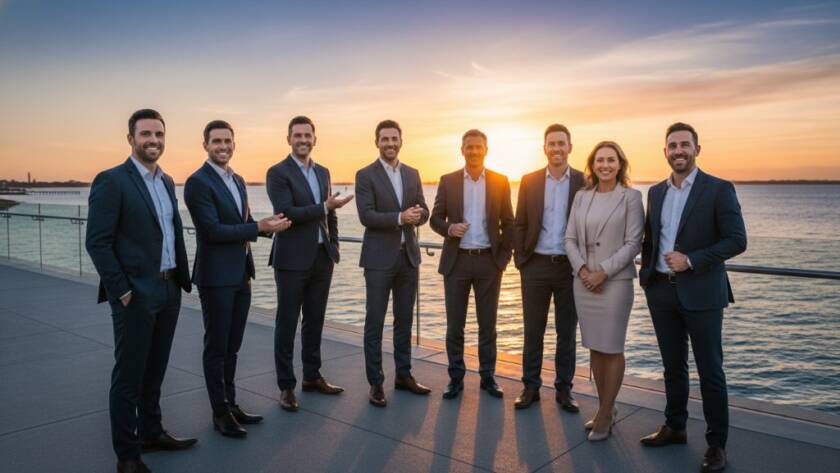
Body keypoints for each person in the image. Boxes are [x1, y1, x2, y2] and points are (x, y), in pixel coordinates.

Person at [86, 109, 196, 473]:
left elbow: (171, 233)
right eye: (146, 134)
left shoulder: (166, 182)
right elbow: (98, 242)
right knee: (129, 375)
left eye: (159, 134)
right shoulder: (111, 181)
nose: (154, 140)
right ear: (130, 138)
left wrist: (181, 279)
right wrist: (122, 291)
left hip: (169, 289)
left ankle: (152, 432)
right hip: (136, 294)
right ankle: (128, 456)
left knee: (156, 369)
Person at [638, 123, 747, 473]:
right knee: (673, 366)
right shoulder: (655, 193)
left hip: (702, 291)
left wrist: (692, 260)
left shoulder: (718, 189)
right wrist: (647, 276)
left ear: (697, 149)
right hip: (661, 291)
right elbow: (651, 239)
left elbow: (736, 240)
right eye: (672, 146)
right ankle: (676, 426)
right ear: (665, 152)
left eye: (685, 144)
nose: (678, 150)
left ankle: (716, 445)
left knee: (710, 370)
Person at [184, 120, 290, 437]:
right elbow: (212, 231)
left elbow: (242, 221)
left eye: (228, 141)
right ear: (205, 144)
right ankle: (219, 413)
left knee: (232, 347)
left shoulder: (239, 180)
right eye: (217, 141)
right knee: (216, 347)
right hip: (215, 277)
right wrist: (259, 228)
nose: (223, 146)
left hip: (241, 273)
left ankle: (231, 403)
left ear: (234, 144)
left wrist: (271, 227)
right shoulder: (197, 183)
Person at [265, 116, 354, 412]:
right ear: (288, 139)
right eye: (297, 135)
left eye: (308, 135)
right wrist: (324, 207)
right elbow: (286, 212)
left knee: (315, 321)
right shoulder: (277, 173)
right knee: (287, 323)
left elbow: (330, 217)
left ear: (315, 139)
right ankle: (286, 386)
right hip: (291, 259)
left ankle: (312, 377)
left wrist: (335, 246)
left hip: (321, 257)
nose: (303, 140)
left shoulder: (324, 172)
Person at [564, 141, 644, 441]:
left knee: (612, 347)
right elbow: (569, 238)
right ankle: (604, 409)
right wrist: (583, 270)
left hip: (615, 283)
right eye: (600, 160)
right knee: (596, 348)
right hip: (583, 282)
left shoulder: (631, 198)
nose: (605, 165)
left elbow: (633, 243)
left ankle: (605, 415)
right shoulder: (582, 197)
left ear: (620, 164)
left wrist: (603, 272)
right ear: (592, 164)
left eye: (611, 160)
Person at [430, 129, 514, 400]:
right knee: (455, 325)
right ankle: (455, 378)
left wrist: (502, 259)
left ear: (486, 150)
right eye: (469, 147)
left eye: (479, 147)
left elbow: (509, 223)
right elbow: (435, 218)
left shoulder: (501, 181)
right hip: (457, 263)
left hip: (489, 263)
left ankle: (488, 377)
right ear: (462, 149)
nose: (474, 151)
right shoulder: (448, 180)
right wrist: (449, 228)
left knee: (487, 325)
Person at [355, 119, 431, 407]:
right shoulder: (365, 175)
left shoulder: (412, 173)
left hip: (408, 258)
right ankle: (376, 383)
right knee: (374, 322)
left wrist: (418, 215)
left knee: (404, 320)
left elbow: (423, 208)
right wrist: (401, 217)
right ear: (377, 142)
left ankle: (404, 375)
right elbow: (366, 216)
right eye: (384, 139)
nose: (390, 144)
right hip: (377, 260)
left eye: (394, 139)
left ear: (401, 141)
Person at [512, 123, 585, 412]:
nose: (556, 148)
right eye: (551, 143)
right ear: (545, 148)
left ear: (570, 147)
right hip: (536, 266)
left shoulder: (584, 181)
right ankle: (530, 386)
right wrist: (522, 261)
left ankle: (564, 390)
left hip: (570, 268)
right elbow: (520, 223)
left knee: (567, 332)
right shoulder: (529, 181)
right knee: (533, 329)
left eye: (561, 143)